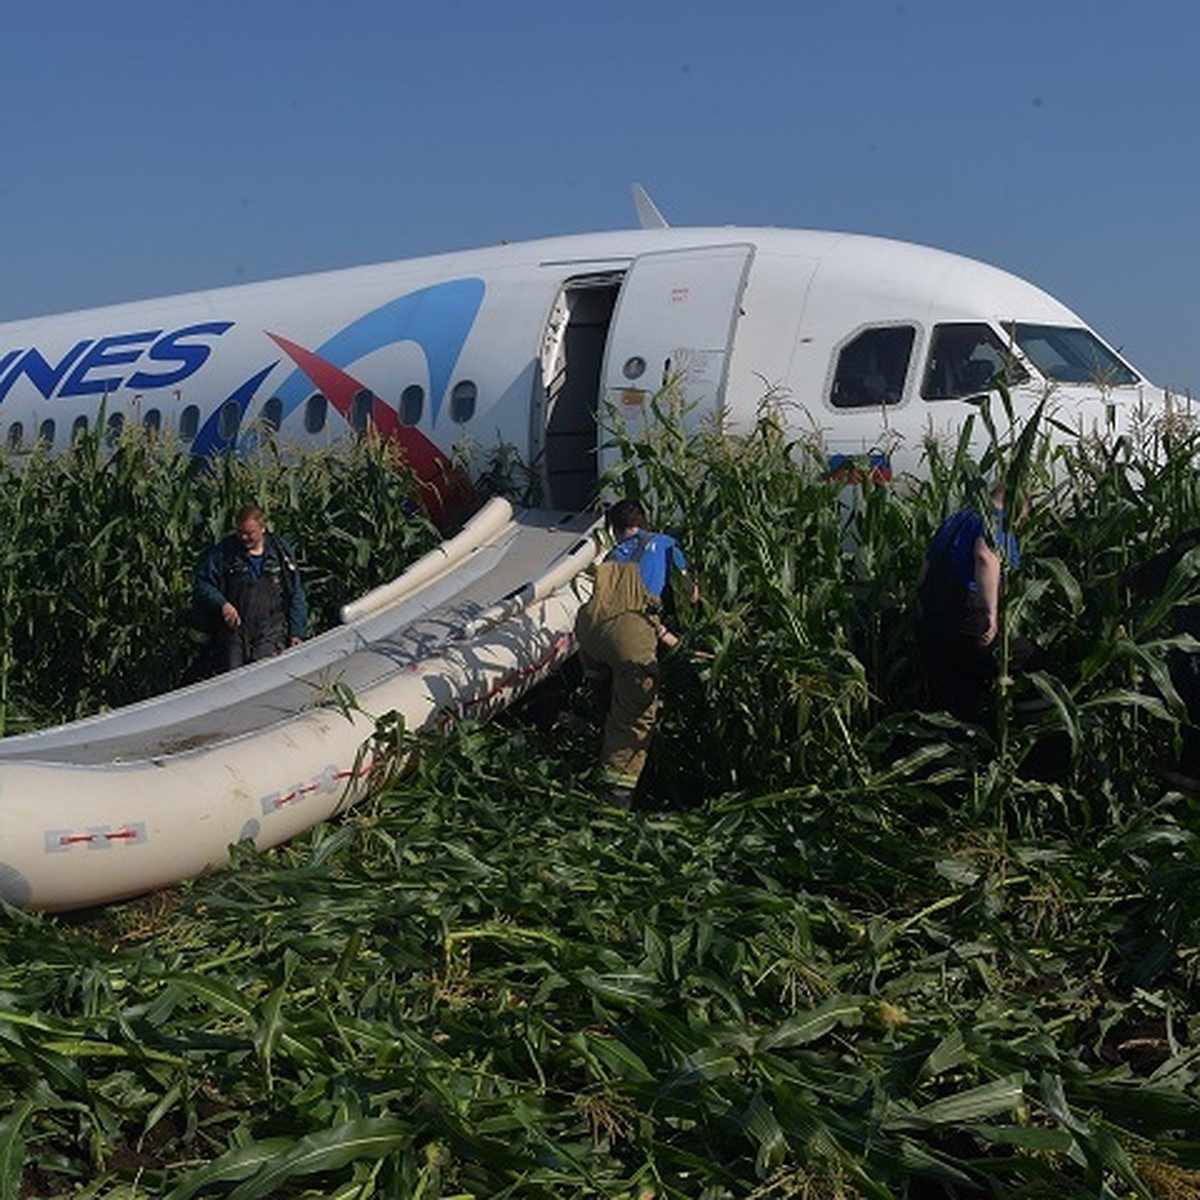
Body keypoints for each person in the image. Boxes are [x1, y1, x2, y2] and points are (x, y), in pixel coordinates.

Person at [574, 498, 698, 808]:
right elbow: (691, 595)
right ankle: (614, 803)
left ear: (614, 530)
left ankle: (598, 713)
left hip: (589, 632)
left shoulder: (612, 555)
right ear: (644, 522)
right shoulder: (664, 544)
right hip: (626, 636)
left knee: (607, 698)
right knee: (633, 719)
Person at [916, 482, 1040, 722]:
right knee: (1039, 667)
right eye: (1021, 519)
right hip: (968, 619)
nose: (1017, 526)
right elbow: (985, 556)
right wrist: (990, 615)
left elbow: (924, 571)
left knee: (951, 706)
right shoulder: (995, 520)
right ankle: (1035, 747)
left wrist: (923, 611)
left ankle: (947, 755)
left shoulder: (957, 519)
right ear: (1016, 507)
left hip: (933, 623)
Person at [193, 503, 307, 673]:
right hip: (234, 635)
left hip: (271, 632)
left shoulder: (280, 552)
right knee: (232, 683)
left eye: (249, 533)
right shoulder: (225, 552)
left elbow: (296, 594)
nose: (244, 538)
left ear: (262, 528)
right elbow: (203, 583)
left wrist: (296, 632)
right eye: (240, 533)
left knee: (266, 679)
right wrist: (222, 604)